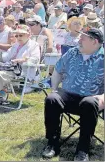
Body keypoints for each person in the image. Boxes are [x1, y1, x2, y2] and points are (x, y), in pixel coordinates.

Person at [42, 28, 104, 161]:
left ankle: (83, 150)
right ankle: (52, 144)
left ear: (95, 42)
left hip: (92, 99)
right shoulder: (72, 52)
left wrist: (103, 97)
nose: (79, 40)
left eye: (83, 38)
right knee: (52, 99)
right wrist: (54, 88)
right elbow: (58, 70)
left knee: (89, 102)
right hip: (68, 95)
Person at [0, 25, 41, 102]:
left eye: (21, 35)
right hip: (11, 68)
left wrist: (23, 60)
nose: (18, 37)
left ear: (28, 35)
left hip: (22, 72)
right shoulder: (16, 44)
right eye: (17, 35)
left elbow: (35, 59)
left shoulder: (34, 45)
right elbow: (6, 56)